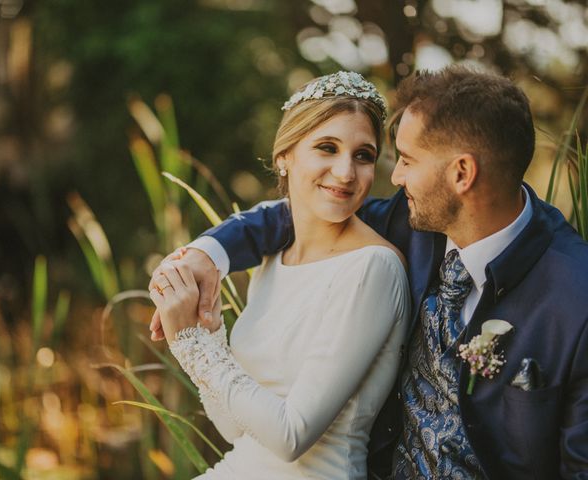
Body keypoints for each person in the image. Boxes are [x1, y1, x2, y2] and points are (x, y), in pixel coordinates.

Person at [152, 65, 588, 479]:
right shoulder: (413, 220)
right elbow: (294, 214)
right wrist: (205, 256)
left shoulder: (574, 297)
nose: (393, 176)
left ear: (462, 173)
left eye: (407, 160)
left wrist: (189, 343)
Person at [148, 71, 411, 479]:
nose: (345, 172)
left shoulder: (372, 267)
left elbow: (291, 437)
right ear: (284, 156)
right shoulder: (274, 260)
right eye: (327, 147)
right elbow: (234, 429)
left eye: (363, 156)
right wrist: (208, 330)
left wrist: (190, 342)